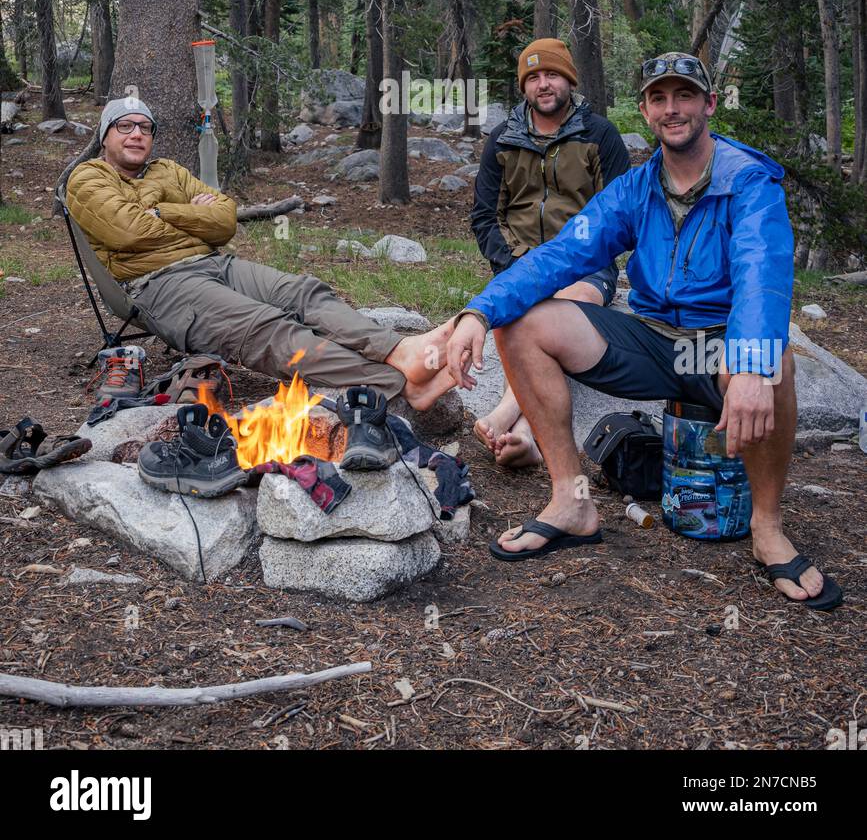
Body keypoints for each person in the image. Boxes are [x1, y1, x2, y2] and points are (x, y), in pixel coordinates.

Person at [446, 52, 842, 609]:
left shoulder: (749, 182)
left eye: (684, 96)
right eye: (659, 98)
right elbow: (562, 254)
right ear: (646, 110)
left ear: (708, 104)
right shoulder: (636, 188)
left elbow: (762, 276)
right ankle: (571, 501)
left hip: (715, 345)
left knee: (773, 364)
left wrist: (749, 363)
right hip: (654, 340)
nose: (672, 109)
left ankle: (767, 527)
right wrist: (479, 312)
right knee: (523, 324)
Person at [67, 99, 456, 422]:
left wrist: (161, 212)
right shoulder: (87, 178)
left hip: (215, 263)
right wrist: (189, 216)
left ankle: (399, 350)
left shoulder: (168, 170)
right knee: (268, 328)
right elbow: (129, 232)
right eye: (124, 126)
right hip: (161, 284)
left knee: (304, 292)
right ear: (105, 136)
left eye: (145, 127)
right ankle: (402, 382)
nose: (136, 134)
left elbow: (224, 220)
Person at [470, 38, 629, 466]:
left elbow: (622, 214)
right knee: (525, 310)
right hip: (520, 262)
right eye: (533, 76)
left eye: (552, 74)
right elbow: (485, 217)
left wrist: (583, 261)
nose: (543, 84)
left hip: (585, 268)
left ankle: (508, 412)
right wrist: (516, 269)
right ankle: (526, 436)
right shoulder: (503, 140)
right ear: (524, 86)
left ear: (569, 80)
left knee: (566, 309)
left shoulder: (600, 135)